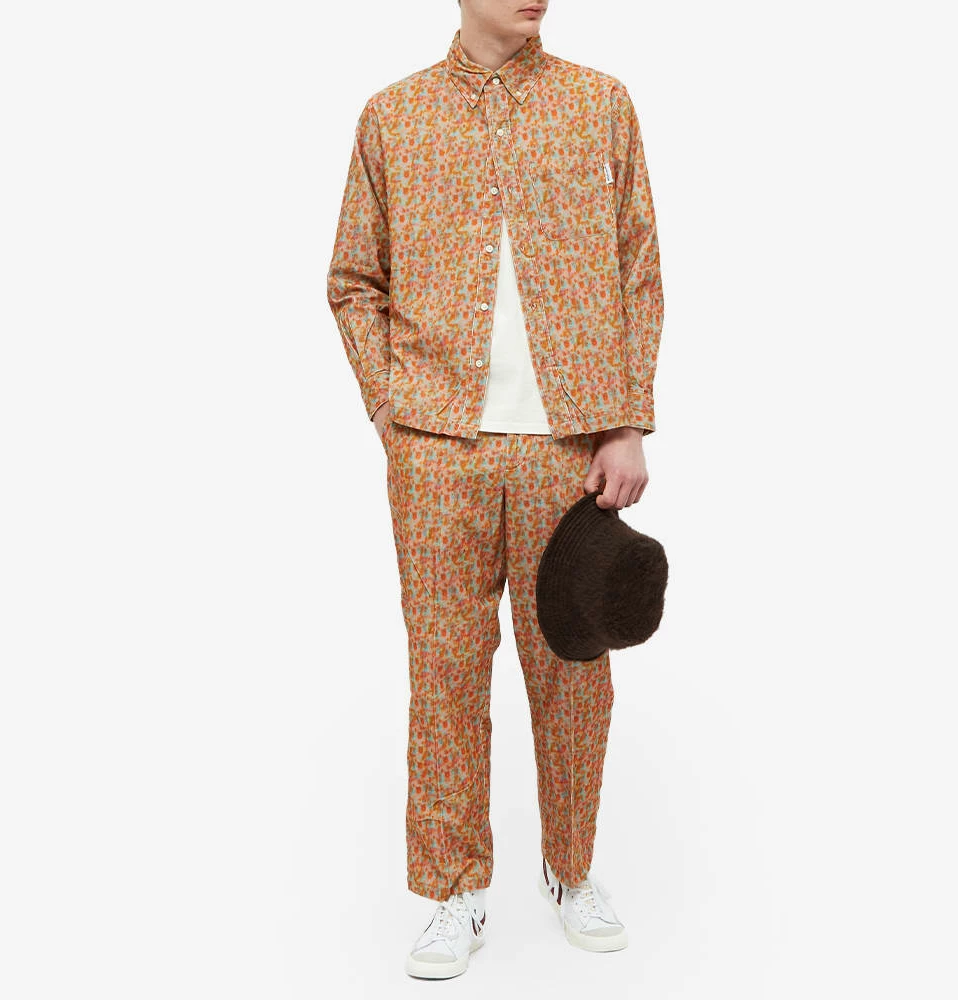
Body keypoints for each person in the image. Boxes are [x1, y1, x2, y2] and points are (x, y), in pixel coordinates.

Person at [327, 0, 662, 979]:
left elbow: (638, 269)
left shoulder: (599, 105)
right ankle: (453, 890)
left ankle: (572, 868)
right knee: (443, 672)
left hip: (570, 444)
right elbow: (353, 280)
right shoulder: (393, 116)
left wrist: (625, 419)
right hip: (438, 448)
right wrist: (396, 415)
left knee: (574, 668)